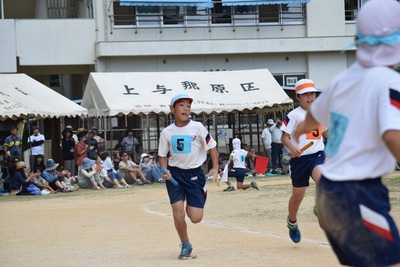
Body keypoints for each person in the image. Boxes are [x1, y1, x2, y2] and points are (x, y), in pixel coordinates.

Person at [293, 0, 400, 265]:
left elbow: (311, 119)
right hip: (358, 192)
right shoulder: (389, 83)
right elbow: (391, 134)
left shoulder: (342, 80)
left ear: (357, 39)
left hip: (329, 194)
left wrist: (298, 130)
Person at [158, 93, 220, 260]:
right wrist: (165, 171)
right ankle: (185, 245)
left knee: (195, 218)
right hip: (175, 175)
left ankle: (199, 194)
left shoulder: (198, 127)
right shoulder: (166, 132)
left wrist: (215, 168)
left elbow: (212, 147)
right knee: (177, 212)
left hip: (194, 174)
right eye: (181, 105)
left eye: (188, 105)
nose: (186, 108)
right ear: (172, 109)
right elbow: (162, 155)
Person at [280, 78, 327, 244]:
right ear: (297, 97)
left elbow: (325, 133)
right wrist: (292, 148)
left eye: (312, 93)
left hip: (318, 155)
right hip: (299, 160)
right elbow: (284, 137)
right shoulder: (293, 116)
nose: (310, 97)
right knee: (298, 196)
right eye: (305, 94)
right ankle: (292, 222)